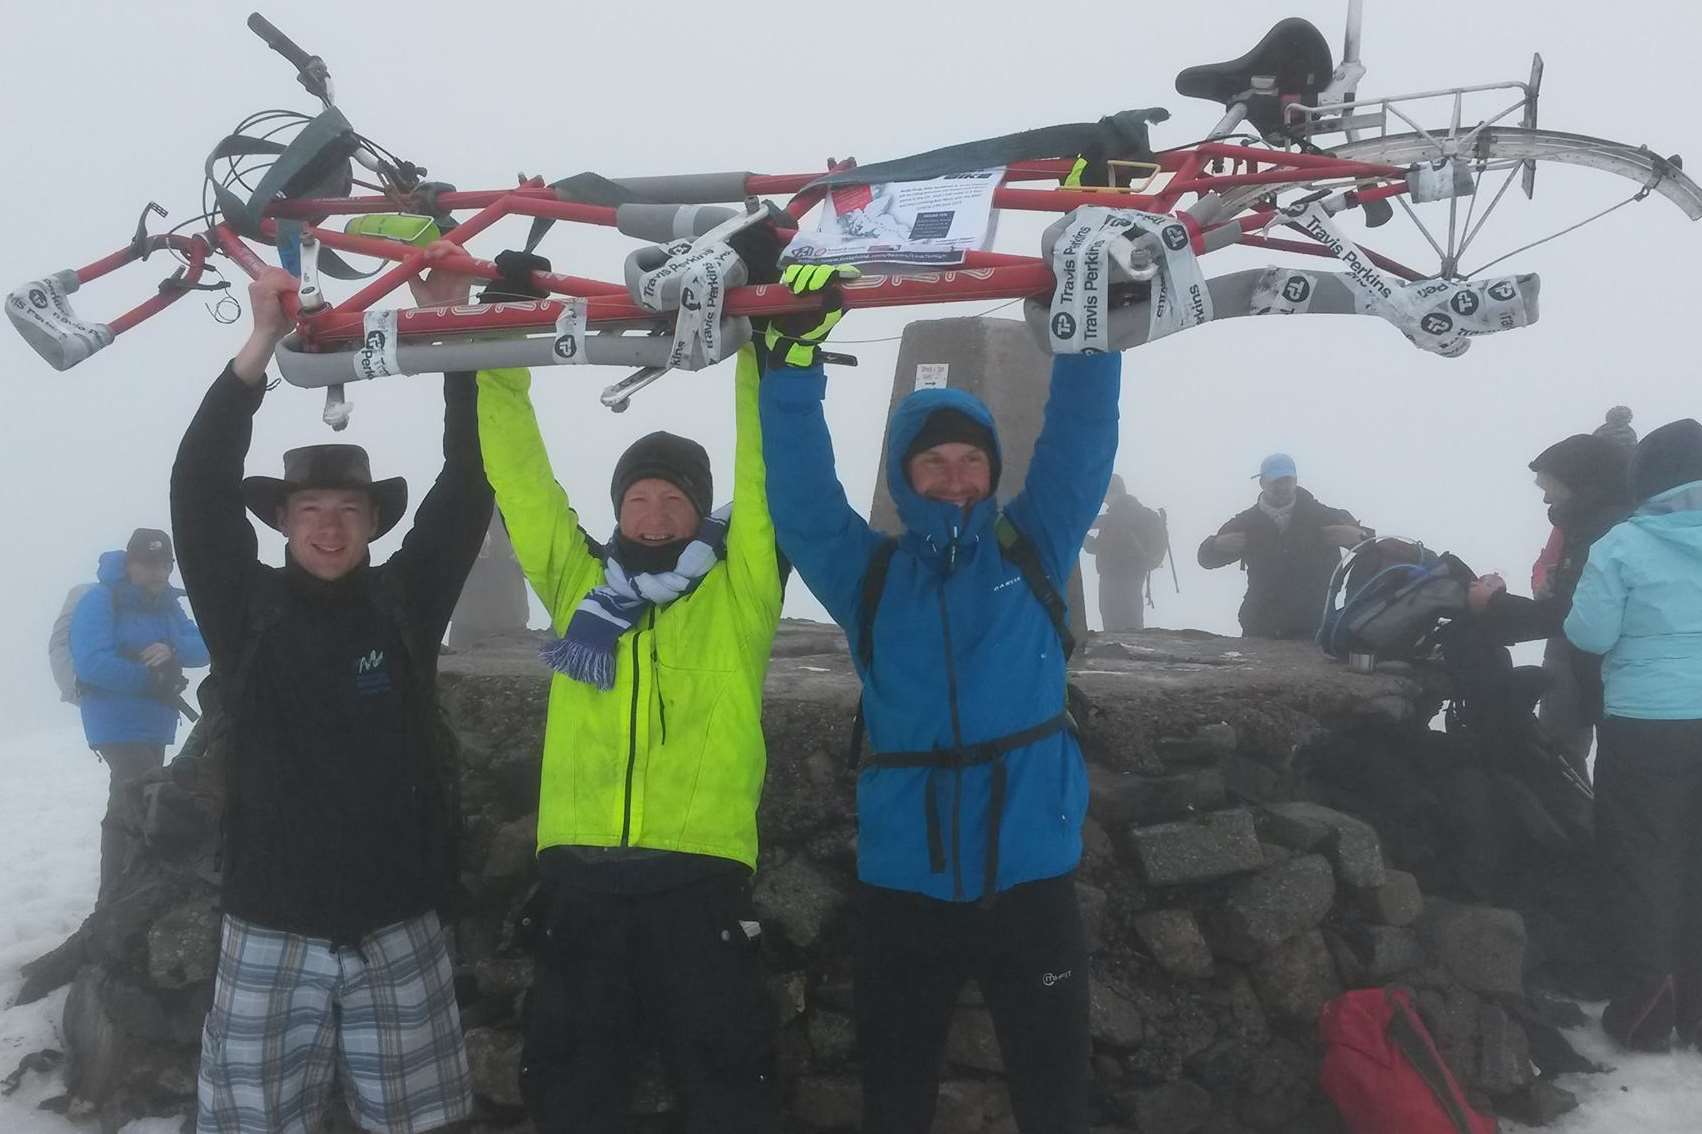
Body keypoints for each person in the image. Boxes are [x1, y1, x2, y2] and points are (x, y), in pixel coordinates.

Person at [759, 251, 1120, 1134]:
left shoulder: (1034, 544)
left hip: (1032, 880)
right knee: (894, 1101)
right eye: (935, 462)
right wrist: (790, 367)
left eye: (972, 460)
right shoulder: (870, 576)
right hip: (904, 888)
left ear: (994, 469)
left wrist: (1091, 331)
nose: (957, 476)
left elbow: (1081, 440)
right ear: (905, 474)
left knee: (1054, 1100)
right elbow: (802, 499)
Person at [173, 245, 489, 1133]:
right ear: (280, 521)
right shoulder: (247, 613)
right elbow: (196, 490)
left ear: (373, 523)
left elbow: (467, 490)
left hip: (400, 926)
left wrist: (451, 328)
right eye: (308, 509)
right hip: (268, 926)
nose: (327, 524)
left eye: (347, 510)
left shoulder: (402, 606)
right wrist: (259, 344)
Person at [478, 286, 785, 1130]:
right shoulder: (580, 585)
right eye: (638, 499)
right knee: (571, 1078)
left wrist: (760, 345)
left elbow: (766, 479)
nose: (653, 514)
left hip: (698, 873)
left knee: (725, 1076)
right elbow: (522, 482)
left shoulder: (739, 588)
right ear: (617, 509)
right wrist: (498, 358)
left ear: (699, 508)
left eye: (673, 500)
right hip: (579, 874)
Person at [1565, 418, 1702, 1052]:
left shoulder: (1623, 545)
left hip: (1647, 726)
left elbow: (1589, 636)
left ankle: (1648, 1005)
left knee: (1645, 858)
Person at [1469, 434, 1632, 774]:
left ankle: (1577, 822)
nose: (1544, 498)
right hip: (1614, 671)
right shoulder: (1593, 521)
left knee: (1611, 770)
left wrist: (1493, 604)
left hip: (1615, 671)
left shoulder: (1601, 529)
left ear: (1579, 481)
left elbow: (1570, 617)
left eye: (1550, 487)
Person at [67, 527, 208, 898]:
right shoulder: (100, 600)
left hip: (153, 721)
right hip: (113, 719)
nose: (158, 572)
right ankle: (115, 896)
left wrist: (171, 648)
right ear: (130, 563)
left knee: (133, 799)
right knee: (137, 795)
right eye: (149, 564)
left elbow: (206, 645)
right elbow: (91, 663)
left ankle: (124, 891)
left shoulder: (167, 604)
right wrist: (149, 680)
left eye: (165, 564)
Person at [1197, 453, 1368, 639]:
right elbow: (1206, 560)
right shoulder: (1246, 523)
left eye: (1287, 480)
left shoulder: (1323, 517)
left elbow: (1372, 548)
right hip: (1260, 628)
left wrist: (1358, 537)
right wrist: (1214, 545)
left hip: (1314, 629)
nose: (1282, 487)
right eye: (1275, 481)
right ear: (1262, 483)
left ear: (1295, 481)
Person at [1083, 474, 1167, 631]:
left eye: (1105, 493)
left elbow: (1097, 546)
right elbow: (1101, 545)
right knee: (1131, 620)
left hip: (1115, 576)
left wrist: (1081, 534)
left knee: (1116, 621)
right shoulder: (1130, 513)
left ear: (1113, 492)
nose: (1103, 498)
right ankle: (1130, 651)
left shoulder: (1119, 515)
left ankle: (1121, 653)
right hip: (1132, 574)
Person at [447, 514, 530, 649]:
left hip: (510, 620)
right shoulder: (458, 501)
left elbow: (539, 565)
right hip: (467, 620)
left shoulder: (518, 504)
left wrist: (527, 553)